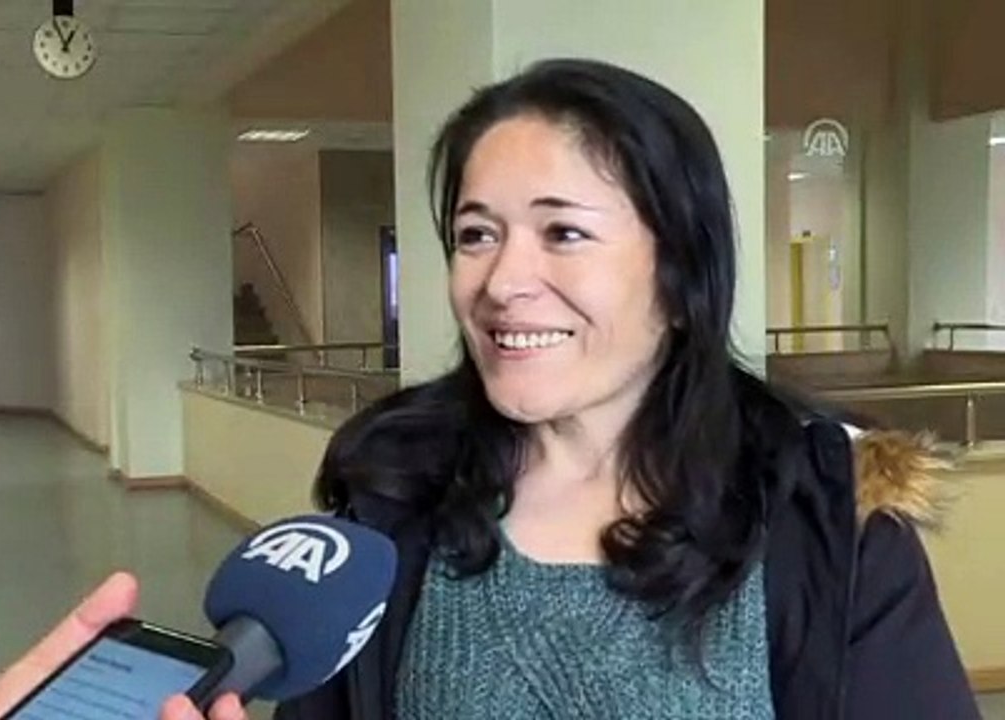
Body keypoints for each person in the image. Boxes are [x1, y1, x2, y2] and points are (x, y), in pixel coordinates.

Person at [164, 58, 978, 719]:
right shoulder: (391, 500)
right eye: (476, 234)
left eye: (564, 232)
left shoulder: (823, 518)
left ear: (679, 273)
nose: (502, 281)